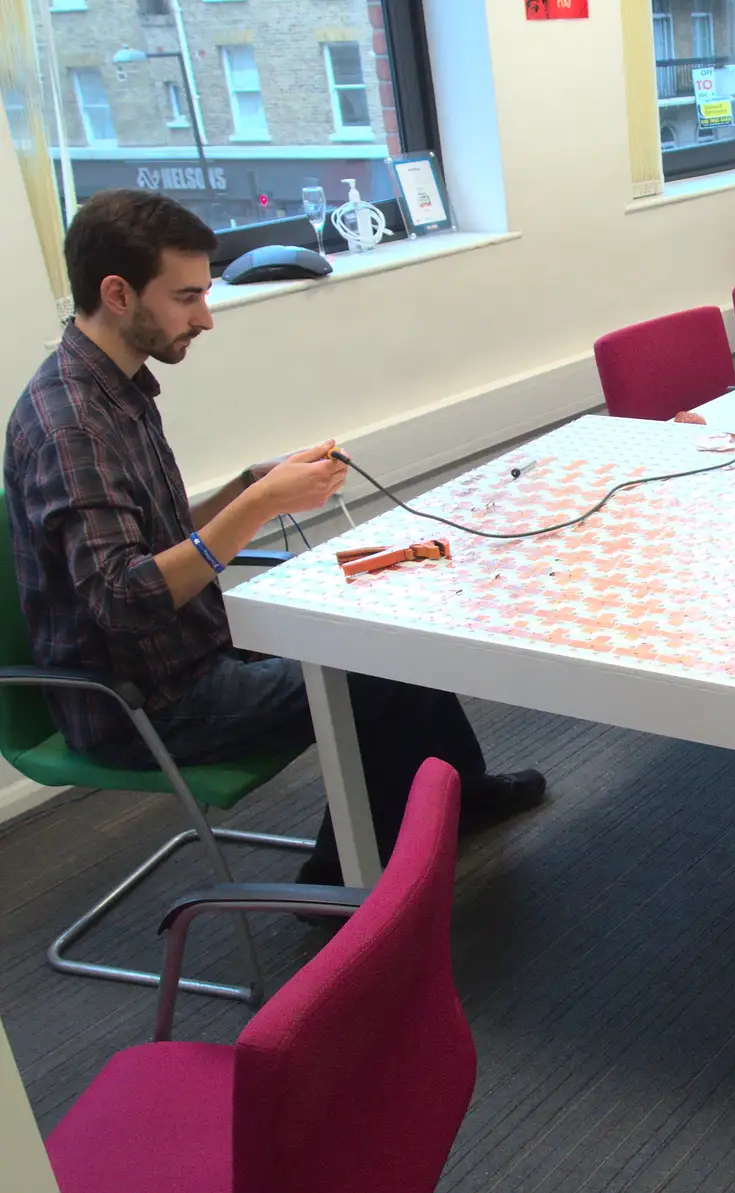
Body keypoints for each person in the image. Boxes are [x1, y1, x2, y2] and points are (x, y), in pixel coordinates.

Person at [5, 190, 545, 886]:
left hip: (191, 653)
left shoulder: (114, 387)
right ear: (117, 292)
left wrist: (246, 484)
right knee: (378, 663)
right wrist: (259, 505)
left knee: (398, 620)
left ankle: (456, 796)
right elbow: (124, 598)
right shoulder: (71, 424)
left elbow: (154, 539)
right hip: (145, 703)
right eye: (187, 296)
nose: (204, 316)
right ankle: (334, 881)